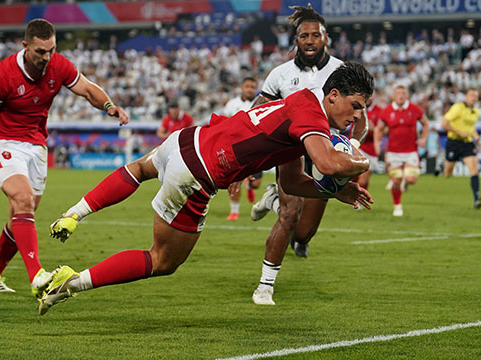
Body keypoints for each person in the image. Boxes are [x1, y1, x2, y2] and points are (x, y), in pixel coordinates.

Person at [38, 62, 375, 315]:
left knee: (140, 168)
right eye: (356, 106)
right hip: (199, 173)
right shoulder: (313, 118)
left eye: (364, 109)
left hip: (188, 139)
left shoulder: (302, 102)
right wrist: (364, 161)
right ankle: (70, 283)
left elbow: (290, 181)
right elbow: (330, 164)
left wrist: (332, 191)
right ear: (333, 96)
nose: (358, 117)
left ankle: (73, 214)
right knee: (163, 260)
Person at [0, 19, 129, 296]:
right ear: (25, 46)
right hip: (3, 142)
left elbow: (87, 88)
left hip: (36, 146)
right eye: (40, 52)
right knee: (22, 200)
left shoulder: (59, 65)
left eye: (51, 50)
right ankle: (37, 276)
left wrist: (109, 105)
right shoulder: (2, 75)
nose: (47, 57)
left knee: (23, 212)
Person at [247, 5, 368, 306]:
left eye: (316, 34)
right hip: (290, 150)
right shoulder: (280, 75)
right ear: (296, 40)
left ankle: (274, 201)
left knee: (303, 232)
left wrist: (351, 145)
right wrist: (251, 162)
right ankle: (264, 286)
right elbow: (256, 114)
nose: (310, 40)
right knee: (289, 216)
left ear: (326, 38)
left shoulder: (342, 71)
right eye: (304, 35)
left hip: (325, 152)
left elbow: (360, 117)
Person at [374, 85, 429, 216]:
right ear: (393, 95)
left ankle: (405, 180)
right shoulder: (387, 111)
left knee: (411, 179)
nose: (401, 95)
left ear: (407, 96)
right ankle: (397, 206)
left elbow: (426, 123)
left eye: (403, 93)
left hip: (410, 151)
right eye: (398, 93)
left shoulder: (414, 109)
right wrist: (377, 144)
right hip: (393, 152)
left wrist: (423, 138)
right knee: (396, 181)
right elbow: (379, 129)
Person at [221, 77, 261, 220]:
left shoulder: (261, 103)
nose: (250, 89)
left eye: (252, 86)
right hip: (236, 147)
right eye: (247, 86)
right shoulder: (232, 104)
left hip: (257, 147)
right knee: (233, 180)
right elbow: (224, 123)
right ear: (242, 88)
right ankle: (234, 211)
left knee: (256, 184)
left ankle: (250, 186)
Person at [441, 88, 481, 209]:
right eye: (472, 95)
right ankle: (442, 166)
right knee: (447, 174)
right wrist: (458, 132)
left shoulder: (475, 111)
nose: (474, 98)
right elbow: (444, 123)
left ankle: (477, 199)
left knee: (474, 169)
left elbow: (471, 128)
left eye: (476, 96)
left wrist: (477, 139)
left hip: (467, 144)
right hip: (454, 142)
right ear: (466, 96)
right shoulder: (457, 107)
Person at [357, 97, 383, 190]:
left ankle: (360, 200)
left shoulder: (380, 111)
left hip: (371, 149)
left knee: (364, 179)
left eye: (371, 95)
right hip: (358, 146)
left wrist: (375, 129)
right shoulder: (356, 107)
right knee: (358, 176)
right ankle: (357, 202)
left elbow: (386, 130)